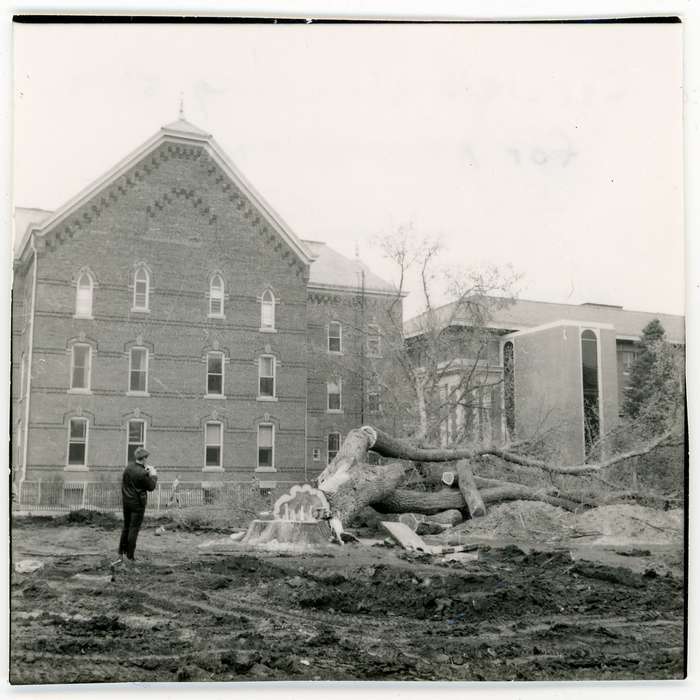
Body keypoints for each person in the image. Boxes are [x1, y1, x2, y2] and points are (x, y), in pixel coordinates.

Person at [117, 446, 158, 566]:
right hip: (138, 504)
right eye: (147, 458)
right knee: (134, 529)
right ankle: (130, 556)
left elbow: (131, 480)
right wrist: (153, 474)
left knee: (126, 527)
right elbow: (151, 487)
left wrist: (145, 471)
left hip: (126, 502)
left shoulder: (128, 468)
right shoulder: (142, 473)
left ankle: (121, 552)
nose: (147, 460)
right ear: (144, 458)